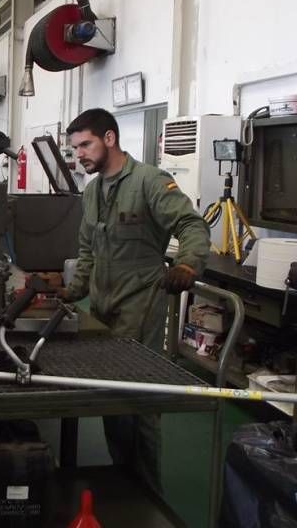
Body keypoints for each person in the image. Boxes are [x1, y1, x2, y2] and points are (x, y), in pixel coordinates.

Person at [60, 108, 210, 491]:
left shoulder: (149, 182)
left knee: (139, 398)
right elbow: (88, 249)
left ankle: (146, 489)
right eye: (75, 148)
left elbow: (191, 224)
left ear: (110, 138)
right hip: (102, 307)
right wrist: (68, 292)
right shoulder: (92, 191)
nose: (80, 155)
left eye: (86, 145)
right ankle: (120, 473)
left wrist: (189, 264)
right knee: (112, 397)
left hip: (140, 303)